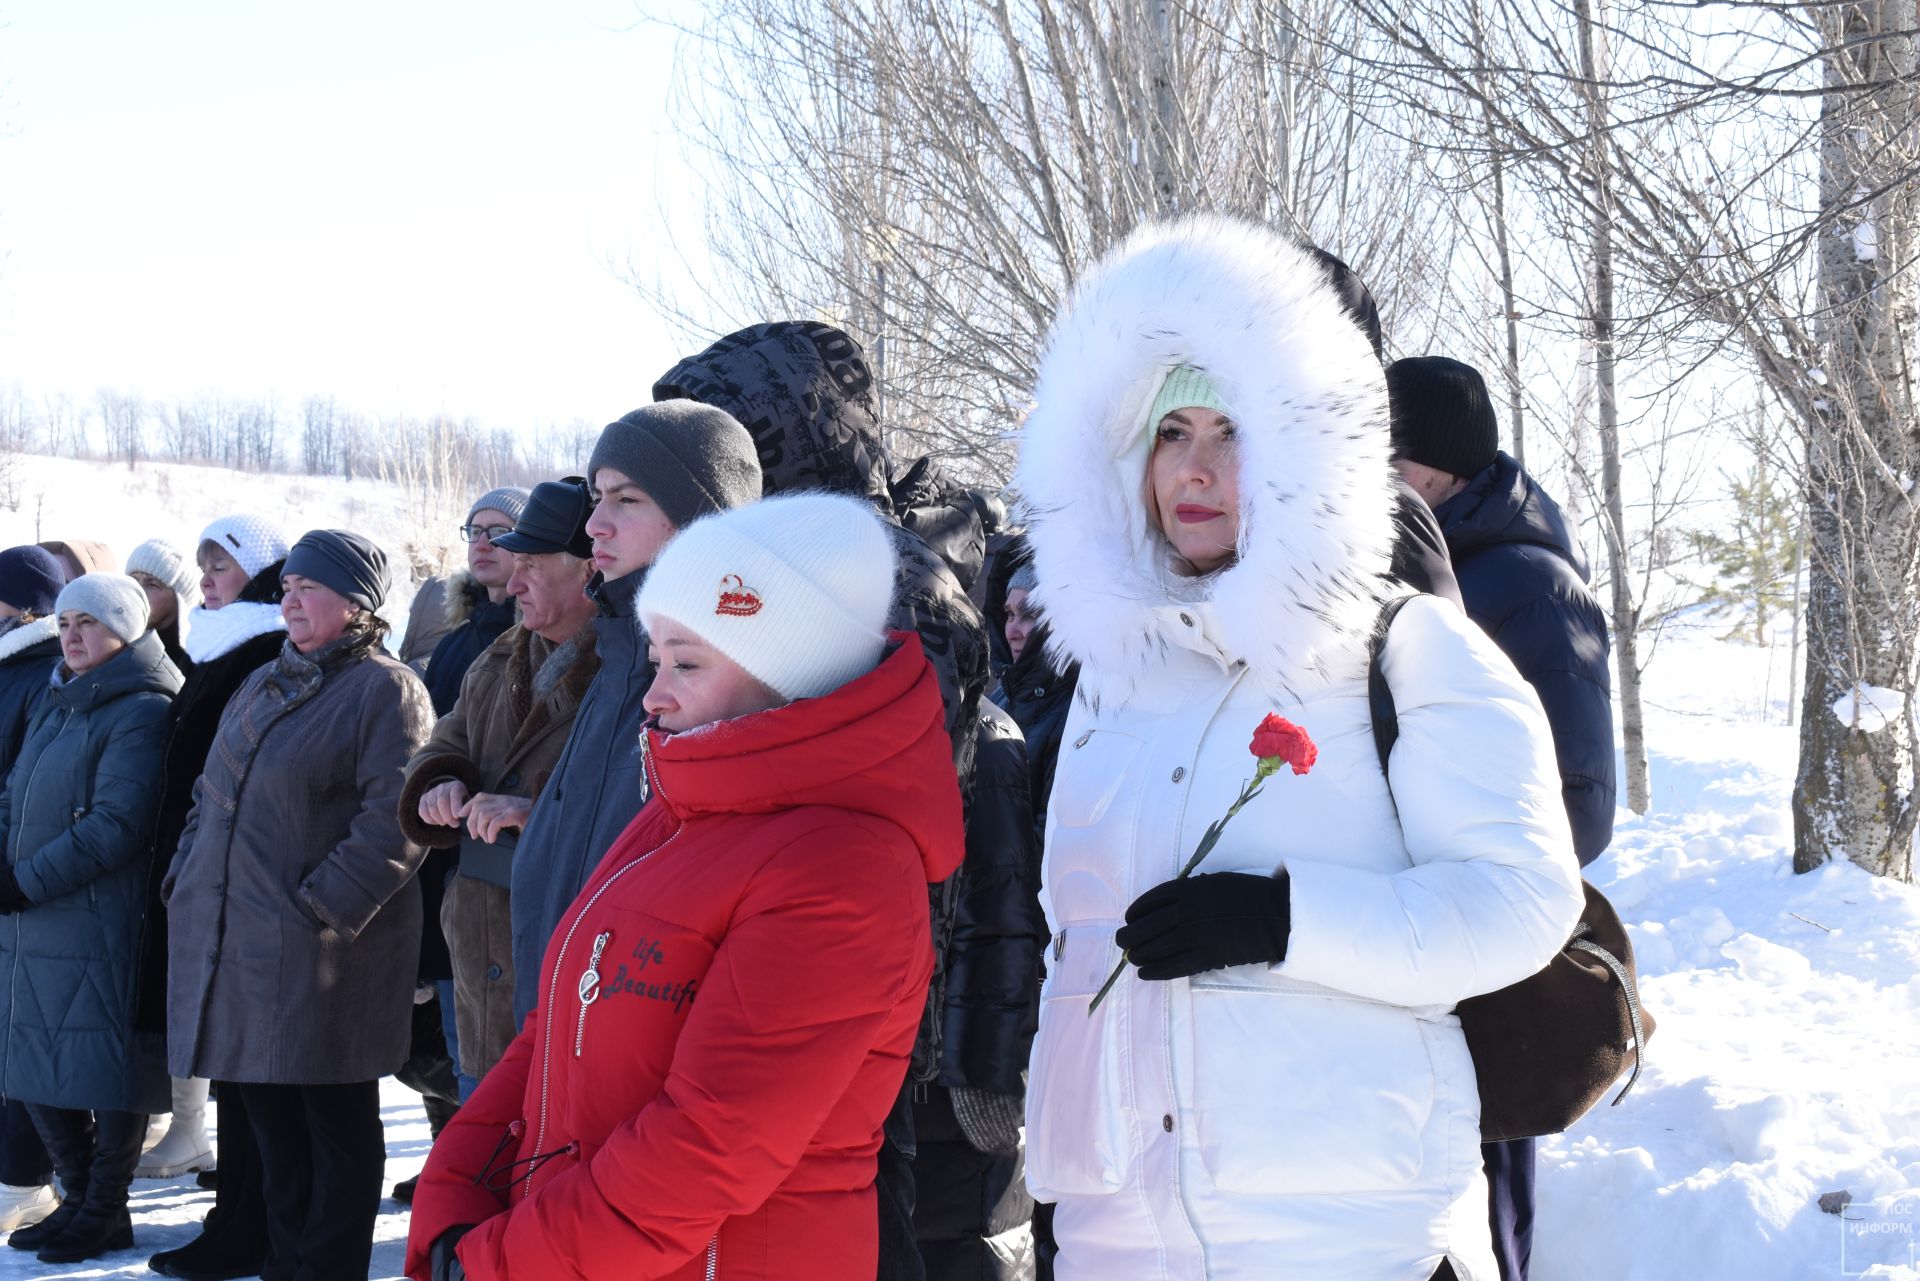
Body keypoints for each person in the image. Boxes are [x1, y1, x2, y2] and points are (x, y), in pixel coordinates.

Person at [1014, 216, 1585, 1280]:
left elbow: (1520, 903)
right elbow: (1075, 949)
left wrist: (1283, 919)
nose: (1195, 469)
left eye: (1232, 433)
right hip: (1118, 1242)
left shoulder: (1405, 645)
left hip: (1347, 1241)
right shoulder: (1106, 679)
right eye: (1170, 432)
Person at [404, 492, 967, 1281]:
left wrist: (504, 1261)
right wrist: (455, 1191)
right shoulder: (683, 810)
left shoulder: (844, 864)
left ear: (788, 672)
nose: (653, 693)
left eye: (688, 662)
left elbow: (707, 1145)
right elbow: (551, 1030)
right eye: (658, 658)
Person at [656, 321, 1006, 1281]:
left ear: (783, 437)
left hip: (858, 969)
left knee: (848, 1217)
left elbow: (877, 786)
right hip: (770, 943)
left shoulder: (887, 579)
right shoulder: (772, 566)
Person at [1388, 353, 1618, 1281]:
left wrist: (1460, 852)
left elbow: (1580, 803)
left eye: (1385, 453)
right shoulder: (1436, 563)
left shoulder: (1519, 581)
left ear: (1436, 465)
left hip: (1489, 958)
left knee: (1482, 1216)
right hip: (1425, 940)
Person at [164, 529, 434, 1281]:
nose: (290, 598)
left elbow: (398, 817)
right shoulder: (265, 681)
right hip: (242, 944)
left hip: (326, 958)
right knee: (274, 1131)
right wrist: (184, 877)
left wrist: (320, 907)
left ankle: (328, 1269)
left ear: (355, 606)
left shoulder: (387, 687)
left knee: (334, 1128)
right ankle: (288, 1265)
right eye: (287, 586)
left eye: (309, 588)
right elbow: (208, 797)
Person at [508, 402, 761, 1029]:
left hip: (636, 1078)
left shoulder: (724, 683)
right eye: (597, 497)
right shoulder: (619, 655)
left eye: (627, 500)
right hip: (554, 1051)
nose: (594, 525)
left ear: (699, 518)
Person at [399, 478, 602, 1101]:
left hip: (568, 960)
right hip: (480, 949)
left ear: (590, 572)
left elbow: (643, 806)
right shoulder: (497, 659)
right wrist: (440, 784)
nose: (513, 584)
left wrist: (532, 813)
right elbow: (442, 745)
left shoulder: (634, 671)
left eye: (532, 566)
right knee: (478, 1139)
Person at [0, 573, 181, 1262]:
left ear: (126, 629)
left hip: (96, 917)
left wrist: (21, 881)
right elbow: (13, 793)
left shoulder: (140, 707)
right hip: (34, 916)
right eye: (67, 620)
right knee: (33, 1060)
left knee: (105, 1068)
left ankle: (106, 1205)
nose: (73, 634)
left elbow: (116, 825)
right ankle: (76, 1195)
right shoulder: (60, 698)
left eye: (90, 622)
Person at [142, 514, 291, 1281]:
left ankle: (249, 1219)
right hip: (198, 874)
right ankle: (231, 1210)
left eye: (221, 564)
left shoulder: (262, 648)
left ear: (260, 575)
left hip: (236, 881)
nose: (205, 578)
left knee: (248, 1068)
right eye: (201, 564)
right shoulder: (218, 641)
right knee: (227, 1060)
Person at [0, 547, 66, 1234]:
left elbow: (23, 782)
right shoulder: (11, 667)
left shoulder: (35, 672)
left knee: (21, 1034)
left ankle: (25, 1178)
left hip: (21, 878)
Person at [126, 538, 203, 674]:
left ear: (179, 598)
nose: (138, 591)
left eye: (152, 584)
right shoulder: (111, 643)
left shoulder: (197, 664)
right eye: (133, 580)